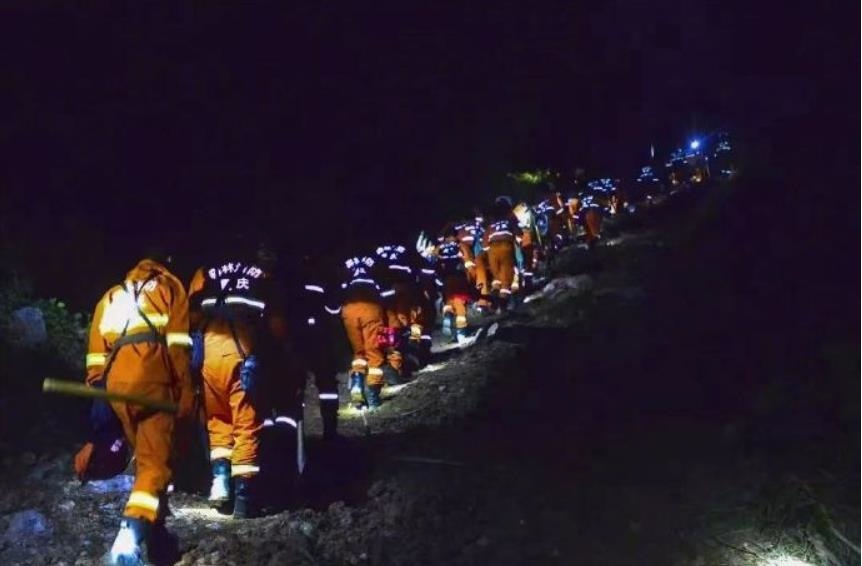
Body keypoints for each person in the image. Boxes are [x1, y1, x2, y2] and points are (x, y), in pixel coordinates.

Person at [85, 252, 193, 565]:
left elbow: (96, 354)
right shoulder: (170, 287)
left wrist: (99, 389)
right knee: (154, 464)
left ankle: (156, 532)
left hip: (117, 384)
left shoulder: (111, 295)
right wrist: (185, 389)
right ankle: (128, 540)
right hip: (153, 380)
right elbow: (178, 345)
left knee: (144, 458)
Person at [188, 244, 291, 518]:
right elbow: (277, 325)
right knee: (246, 423)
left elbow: (191, 315)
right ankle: (245, 501)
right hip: (242, 352)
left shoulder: (205, 272)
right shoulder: (260, 273)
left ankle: (220, 483)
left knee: (217, 418)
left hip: (208, 353)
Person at [339, 253, 391, 409]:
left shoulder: (344, 262)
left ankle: (356, 383)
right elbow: (386, 291)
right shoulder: (376, 259)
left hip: (349, 310)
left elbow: (337, 288)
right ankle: (373, 395)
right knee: (374, 353)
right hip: (371, 308)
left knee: (358, 353)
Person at [482, 197, 521, 312]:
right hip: (506, 246)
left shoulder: (491, 221)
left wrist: (488, 251)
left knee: (496, 276)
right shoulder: (510, 218)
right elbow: (518, 233)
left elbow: (485, 242)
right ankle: (503, 305)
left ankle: (495, 296)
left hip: (492, 249)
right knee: (505, 277)